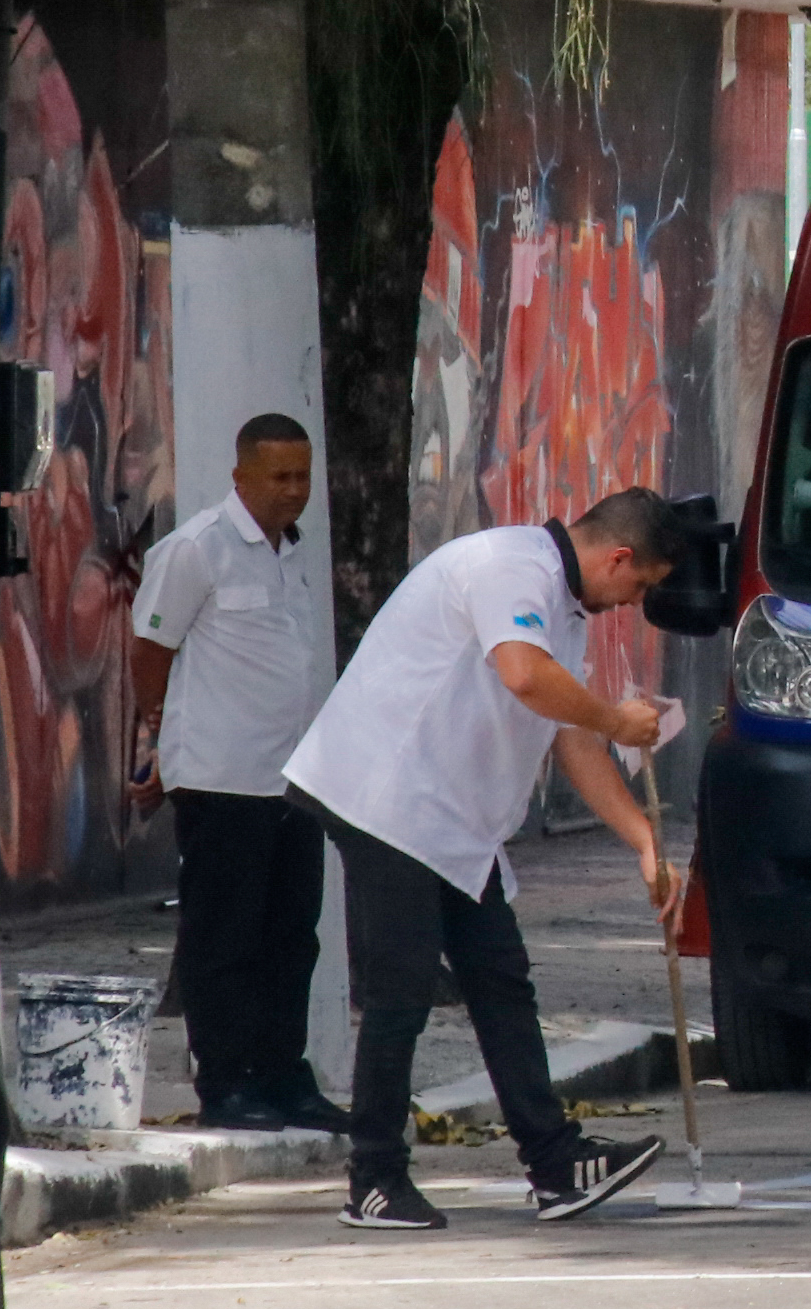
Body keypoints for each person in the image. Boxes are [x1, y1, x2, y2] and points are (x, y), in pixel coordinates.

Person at [282, 489, 689, 1231]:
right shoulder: (511, 567)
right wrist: (614, 715)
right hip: (386, 796)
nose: (632, 604)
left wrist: (644, 841)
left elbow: (569, 738)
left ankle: (555, 1163)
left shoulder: (562, 607)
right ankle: (372, 1178)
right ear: (619, 557)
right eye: (638, 588)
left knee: (501, 980)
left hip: (451, 822)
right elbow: (526, 679)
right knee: (400, 991)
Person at [128, 413, 345, 1132]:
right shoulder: (198, 549)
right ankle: (223, 1083)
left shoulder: (294, 552)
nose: (293, 491)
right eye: (279, 477)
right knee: (224, 936)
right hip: (222, 777)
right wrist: (155, 740)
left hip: (293, 779)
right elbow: (151, 649)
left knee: (292, 935)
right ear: (240, 476)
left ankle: (283, 1076)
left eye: (302, 477)